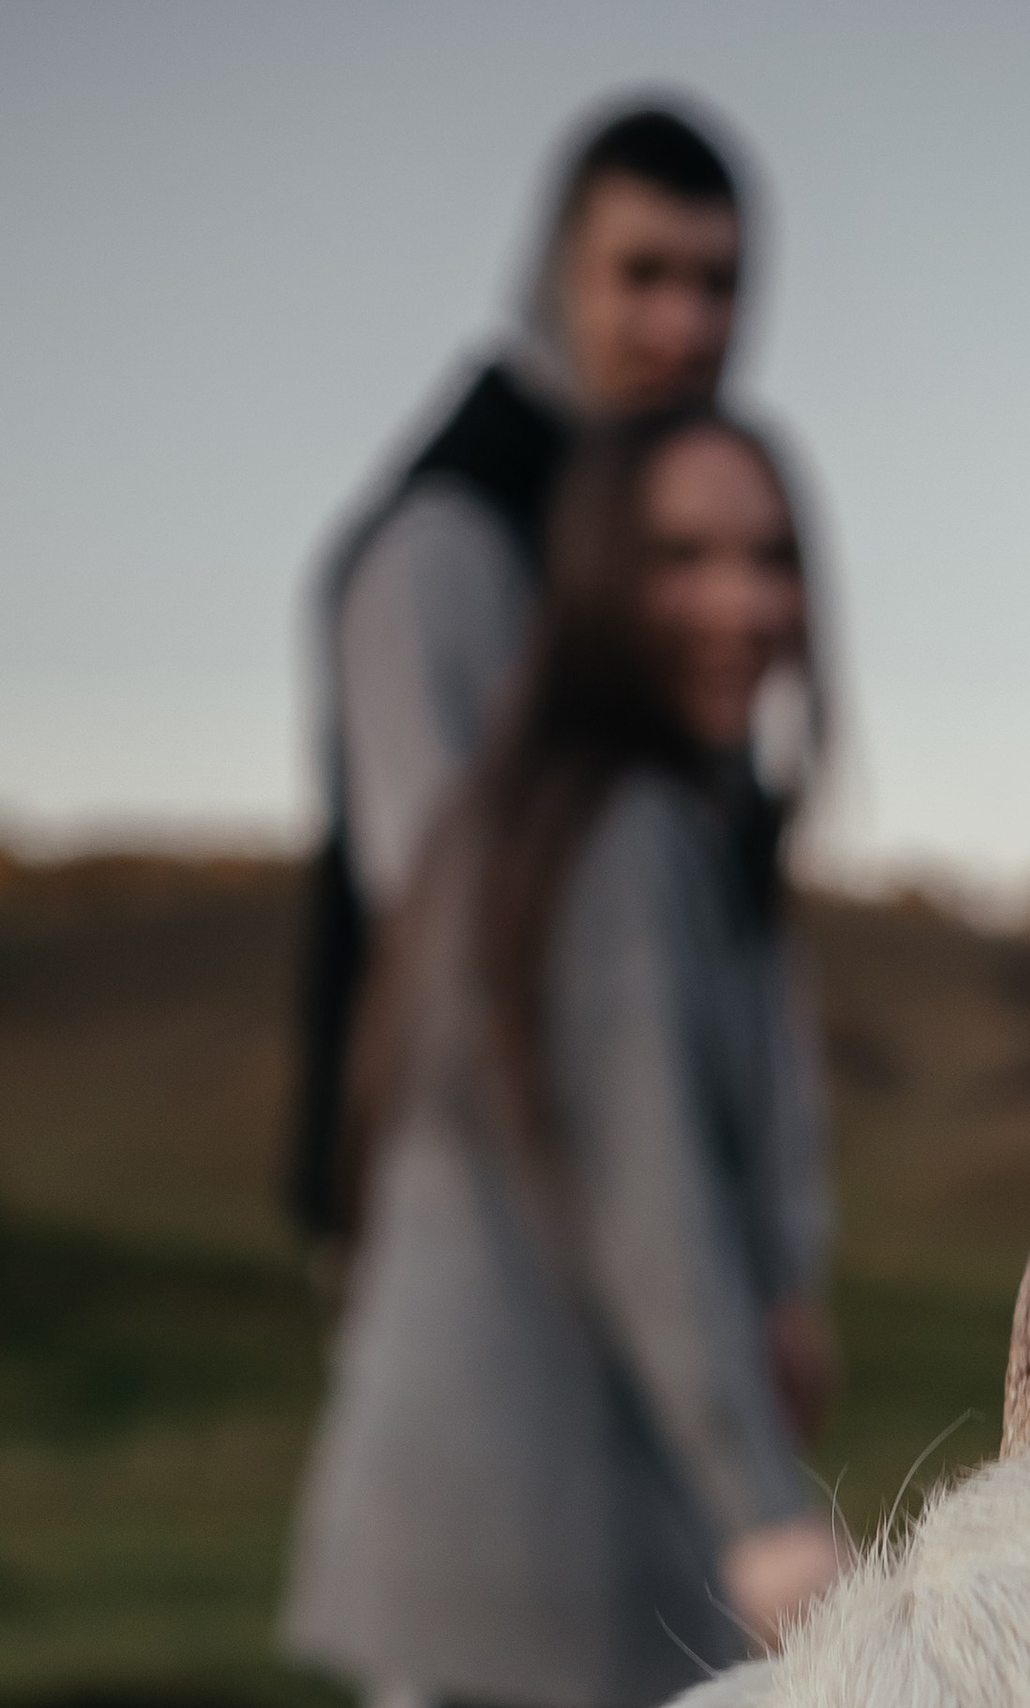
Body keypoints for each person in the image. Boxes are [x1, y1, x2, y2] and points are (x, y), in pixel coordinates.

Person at [282, 405, 842, 1708]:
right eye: (685, 557)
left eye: (767, 556)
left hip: (604, 1515)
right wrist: (760, 1482)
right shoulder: (607, 822)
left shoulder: (682, 818)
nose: (738, 602)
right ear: (599, 585)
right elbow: (642, 1200)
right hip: (490, 1521)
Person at [283, 97, 752, 1252]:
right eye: (642, 275)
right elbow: (453, 911)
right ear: (555, 277)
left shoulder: (665, 537)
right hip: (474, 1201)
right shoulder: (448, 540)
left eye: (718, 282)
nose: (685, 326)